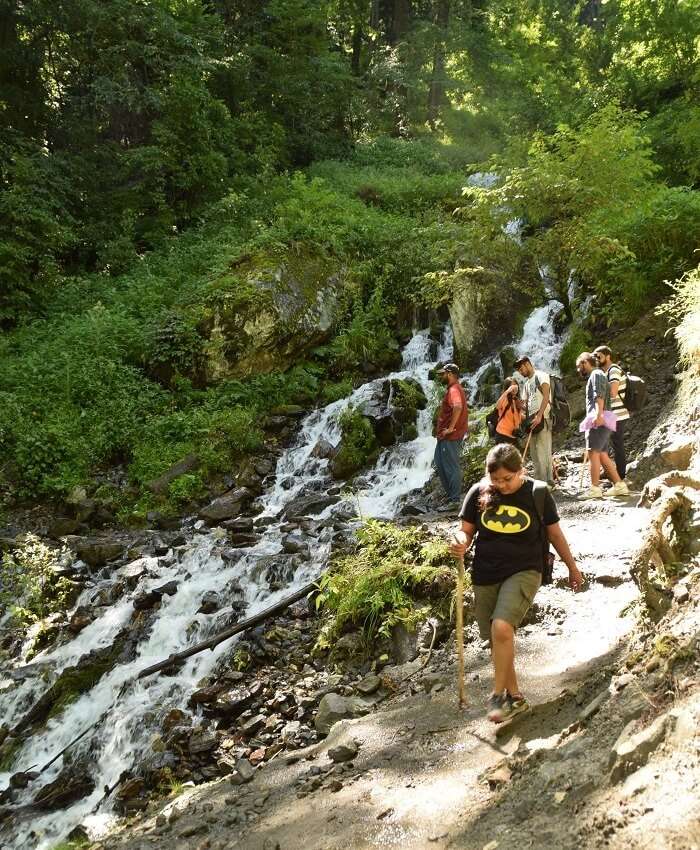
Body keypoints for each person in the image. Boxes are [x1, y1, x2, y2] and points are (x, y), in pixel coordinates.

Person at [451, 444, 582, 723]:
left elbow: (555, 535)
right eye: (495, 479)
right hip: (485, 573)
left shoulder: (537, 493)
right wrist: (459, 543)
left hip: (525, 569)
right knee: (497, 638)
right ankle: (516, 697)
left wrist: (572, 567)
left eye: (507, 479)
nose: (501, 485)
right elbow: (466, 532)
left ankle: (497, 696)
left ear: (521, 471)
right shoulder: (479, 493)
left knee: (501, 626)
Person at [575, 352, 629, 500]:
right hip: (604, 418)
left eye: (579, 366)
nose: (578, 370)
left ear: (586, 362)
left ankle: (594, 489)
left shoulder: (596, 374)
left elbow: (599, 395)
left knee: (593, 452)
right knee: (602, 454)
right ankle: (619, 485)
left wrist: (598, 415)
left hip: (598, 419)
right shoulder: (599, 374)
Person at [513, 356, 553, 486]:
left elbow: (546, 395)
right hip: (532, 422)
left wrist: (540, 415)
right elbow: (527, 405)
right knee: (535, 454)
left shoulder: (541, 376)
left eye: (521, 368)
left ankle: (547, 482)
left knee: (543, 452)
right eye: (518, 370)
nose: (520, 372)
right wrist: (518, 403)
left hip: (543, 418)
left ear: (528, 364)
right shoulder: (526, 384)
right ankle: (539, 483)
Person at [433, 362, 469, 509]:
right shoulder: (453, 389)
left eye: (443, 374)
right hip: (444, 437)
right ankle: (451, 497)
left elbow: (458, 406)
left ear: (450, 374)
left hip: (450, 436)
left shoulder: (454, 389)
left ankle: (454, 500)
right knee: (440, 463)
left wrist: (451, 428)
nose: (441, 376)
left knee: (450, 466)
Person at [593, 345, 629, 481]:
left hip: (618, 414)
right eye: (595, 356)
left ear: (607, 356)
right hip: (612, 414)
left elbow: (613, 393)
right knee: (609, 444)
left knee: (617, 445)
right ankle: (610, 471)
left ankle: (620, 475)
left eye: (599, 356)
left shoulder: (613, 370)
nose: (597, 359)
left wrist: (599, 395)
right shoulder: (606, 372)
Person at [494, 378, 525, 445]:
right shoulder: (504, 398)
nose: (514, 388)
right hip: (502, 434)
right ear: (507, 387)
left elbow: (518, 416)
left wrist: (532, 418)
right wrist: (507, 391)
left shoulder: (517, 400)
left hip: (513, 435)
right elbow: (497, 406)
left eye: (515, 385)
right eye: (512, 386)